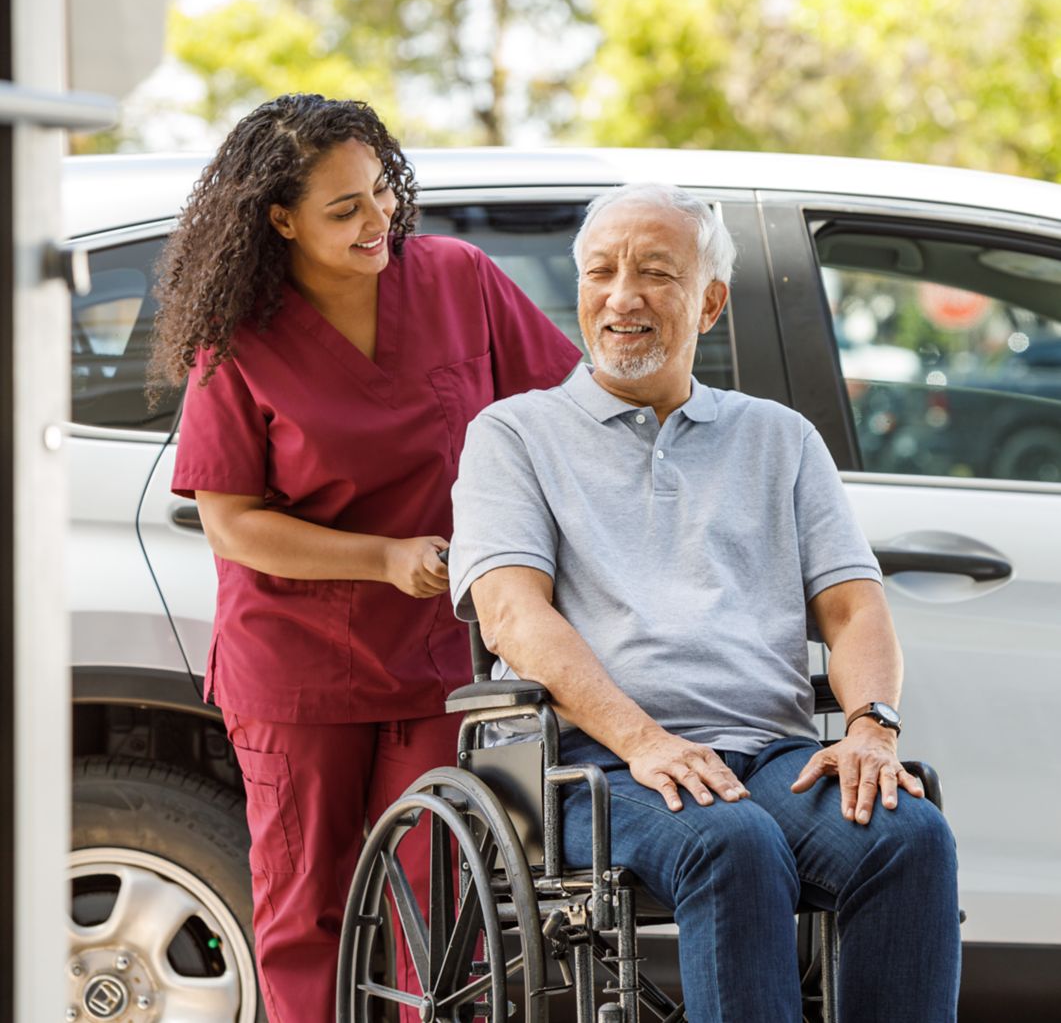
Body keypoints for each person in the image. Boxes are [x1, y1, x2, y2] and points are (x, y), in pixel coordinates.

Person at [449, 183, 961, 1022]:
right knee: (732, 843)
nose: (622, 296)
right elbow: (512, 615)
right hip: (594, 765)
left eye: (656, 272)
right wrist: (642, 740)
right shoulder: (513, 435)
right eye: (601, 271)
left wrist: (870, 724)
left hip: (767, 757)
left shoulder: (779, 437)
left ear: (710, 302)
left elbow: (853, 608)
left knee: (907, 838)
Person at [150, 93, 581, 1022]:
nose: (376, 218)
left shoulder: (459, 280)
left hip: (440, 659)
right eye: (343, 208)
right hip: (297, 662)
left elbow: (565, 415)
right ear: (281, 219)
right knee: (310, 909)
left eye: (381, 191)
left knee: (444, 907)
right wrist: (383, 556)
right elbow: (231, 522)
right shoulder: (238, 337)